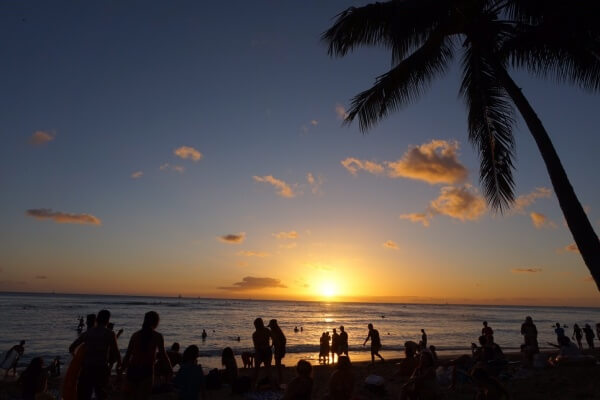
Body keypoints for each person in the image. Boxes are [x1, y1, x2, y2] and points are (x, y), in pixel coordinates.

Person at [68, 309, 120, 400]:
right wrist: (119, 365)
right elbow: (116, 352)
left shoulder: (87, 333)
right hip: (101, 368)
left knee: (84, 395)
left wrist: (78, 360)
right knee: (101, 395)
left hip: (87, 368)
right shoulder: (110, 334)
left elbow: (71, 348)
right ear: (107, 320)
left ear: (97, 319)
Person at [123, 311, 172, 400]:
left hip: (132, 369)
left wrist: (121, 370)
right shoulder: (157, 336)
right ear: (156, 322)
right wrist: (169, 368)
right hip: (146, 370)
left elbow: (127, 355)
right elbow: (163, 355)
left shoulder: (135, 335)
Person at [252, 317, 272, 385]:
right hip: (263, 351)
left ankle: (256, 383)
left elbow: (256, 346)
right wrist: (271, 346)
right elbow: (256, 346)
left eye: (256, 325)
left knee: (264, 369)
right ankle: (255, 383)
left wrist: (270, 346)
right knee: (263, 369)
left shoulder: (264, 331)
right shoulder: (266, 331)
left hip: (263, 351)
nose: (255, 327)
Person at [268, 319, 286, 386]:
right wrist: (272, 345)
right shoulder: (276, 331)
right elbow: (274, 340)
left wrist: (279, 347)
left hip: (279, 349)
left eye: (271, 326)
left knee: (277, 364)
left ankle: (280, 379)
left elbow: (282, 340)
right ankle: (280, 378)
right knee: (277, 363)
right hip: (278, 349)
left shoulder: (276, 331)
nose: (270, 327)